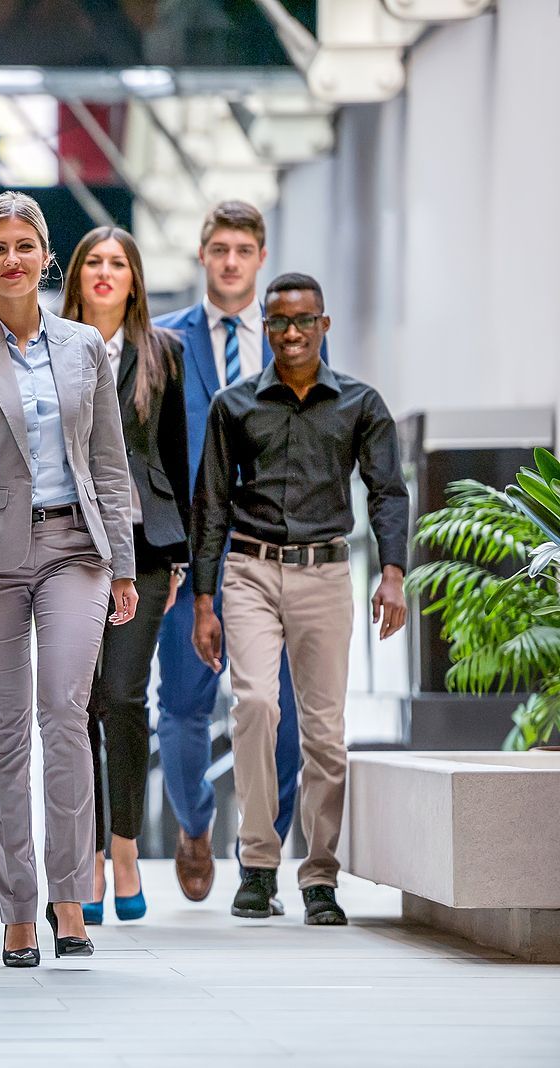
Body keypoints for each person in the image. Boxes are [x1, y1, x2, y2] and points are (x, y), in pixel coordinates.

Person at [0, 192, 138, 969]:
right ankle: (16, 907)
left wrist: (120, 562)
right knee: (5, 730)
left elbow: (110, 465)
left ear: (48, 256)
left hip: (73, 548)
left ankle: (67, 897)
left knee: (64, 711)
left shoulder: (86, 346)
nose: (13, 259)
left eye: (26, 245)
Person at [190, 272, 408, 925]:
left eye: (303, 321)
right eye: (279, 322)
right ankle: (257, 864)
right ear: (267, 326)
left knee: (325, 731)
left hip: (325, 574)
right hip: (250, 571)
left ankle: (319, 876)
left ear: (324, 325)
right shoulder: (235, 405)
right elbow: (211, 507)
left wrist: (392, 572)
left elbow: (387, 491)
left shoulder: (360, 404)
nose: (291, 333)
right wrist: (205, 600)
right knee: (255, 706)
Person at [152, 201, 303, 905]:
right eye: (220, 249)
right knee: (182, 706)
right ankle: (192, 824)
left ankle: (261, 861)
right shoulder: (164, 342)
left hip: (270, 553)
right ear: (203, 256)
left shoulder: (294, 345)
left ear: (261, 258)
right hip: (187, 558)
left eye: (244, 249)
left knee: (277, 713)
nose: (232, 261)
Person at [60, 226, 190, 925]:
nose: (106, 274)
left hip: (145, 547)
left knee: (125, 696)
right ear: (77, 276)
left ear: (135, 279)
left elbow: (176, 456)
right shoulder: (50, 345)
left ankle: (126, 845)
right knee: (78, 705)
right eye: (94, 263)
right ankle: (86, 858)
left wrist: (183, 562)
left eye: (118, 264)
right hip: (70, 545)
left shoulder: (163, 353)